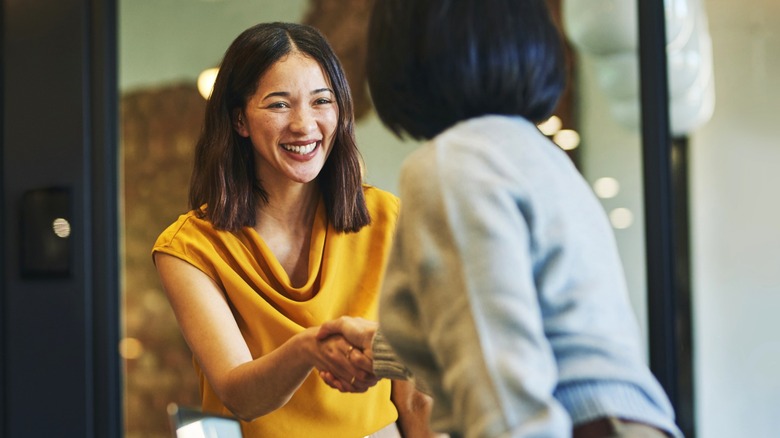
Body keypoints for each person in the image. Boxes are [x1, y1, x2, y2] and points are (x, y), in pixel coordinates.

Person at [318, 1, 685, 437]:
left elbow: (502, 392)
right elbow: (532, 327)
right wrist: (379, 353)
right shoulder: (538, 155)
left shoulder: (453, 166)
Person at [152, 22, 433, 438]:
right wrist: (310, 349)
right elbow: (240, 394)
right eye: (279, 104)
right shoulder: (188, 249)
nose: (304, 124)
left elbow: (415, 395)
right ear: (239, 120)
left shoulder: (389, 219)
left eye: (322, 101)